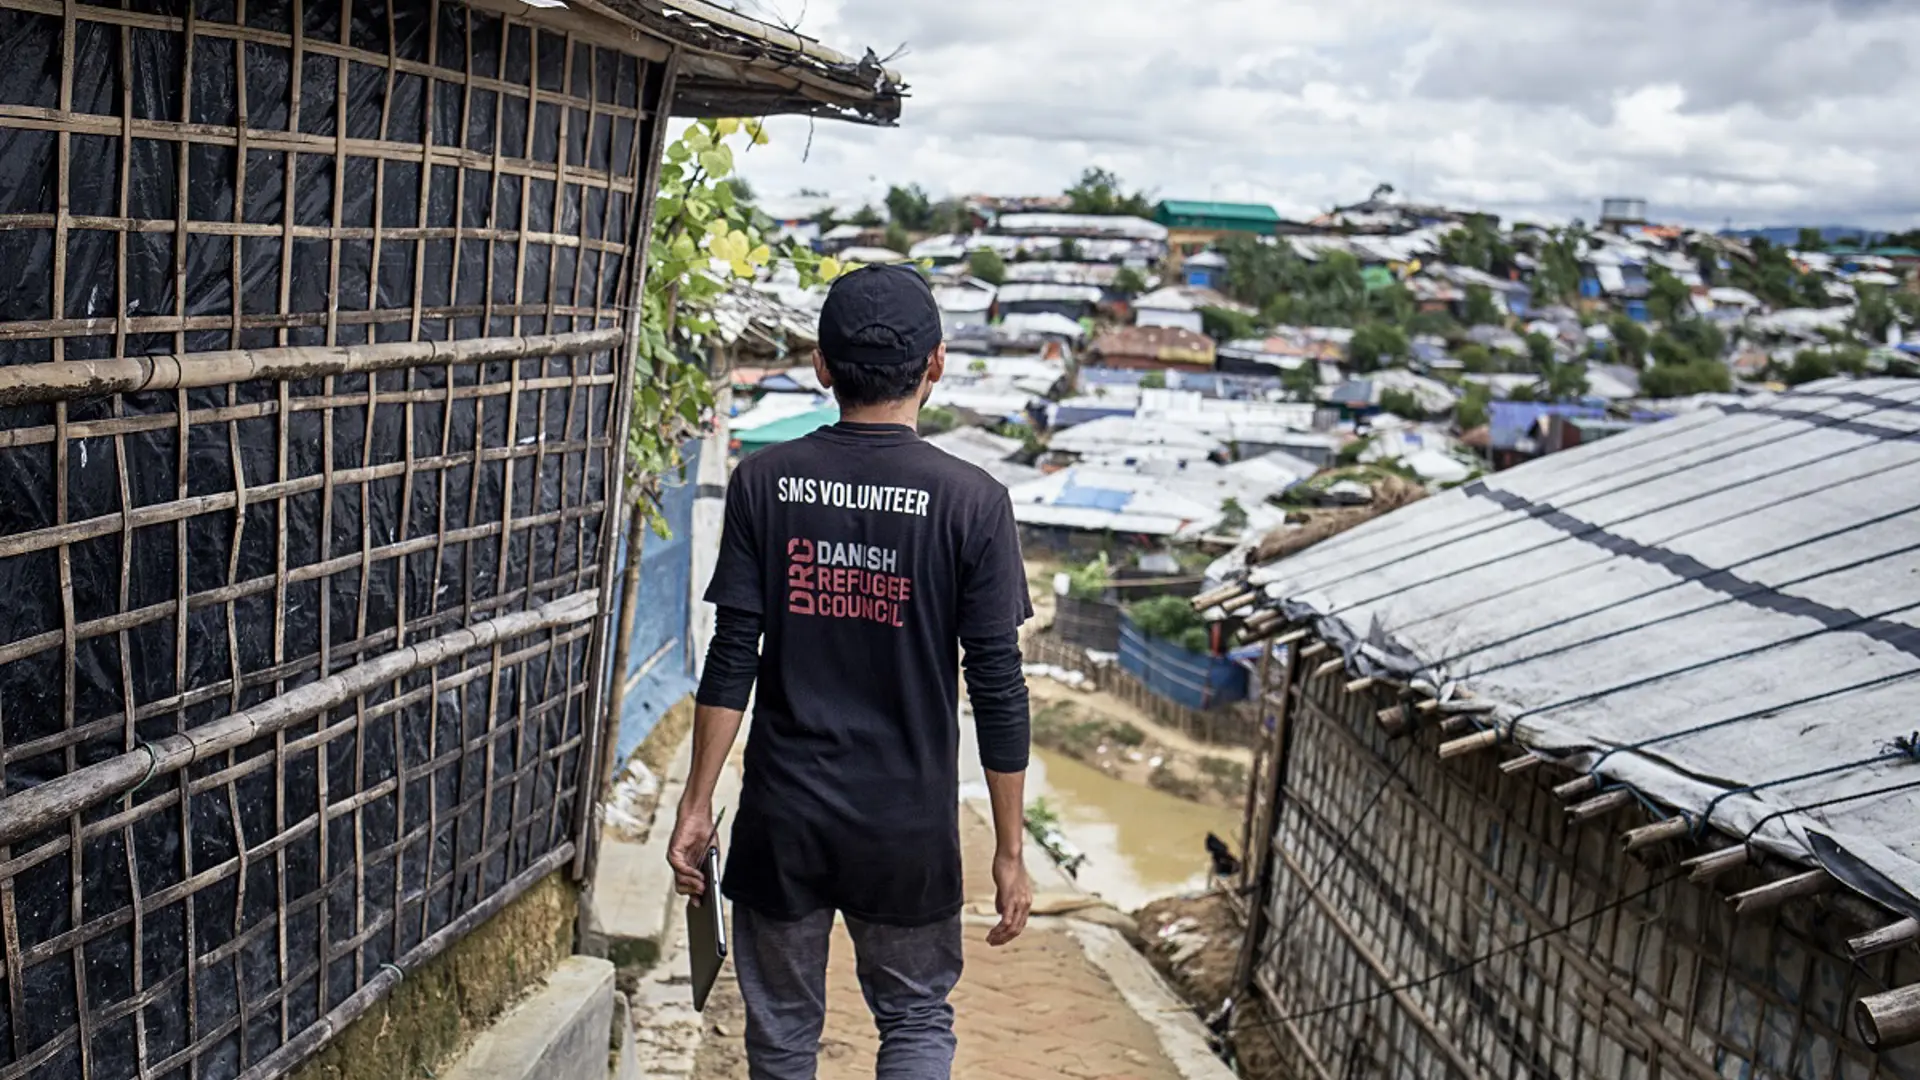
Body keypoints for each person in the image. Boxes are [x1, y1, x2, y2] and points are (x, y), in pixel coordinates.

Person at [667, 263, 1035, 1080]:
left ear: (822, 366)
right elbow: (999, 687)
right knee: (912, 1021)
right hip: (906, 827)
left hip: (783, 818)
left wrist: (697, 806)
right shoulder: (974, 502)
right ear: (935, 365)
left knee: (784, 1033)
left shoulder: (764, 482)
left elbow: (734, 655)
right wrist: (1009, 849)